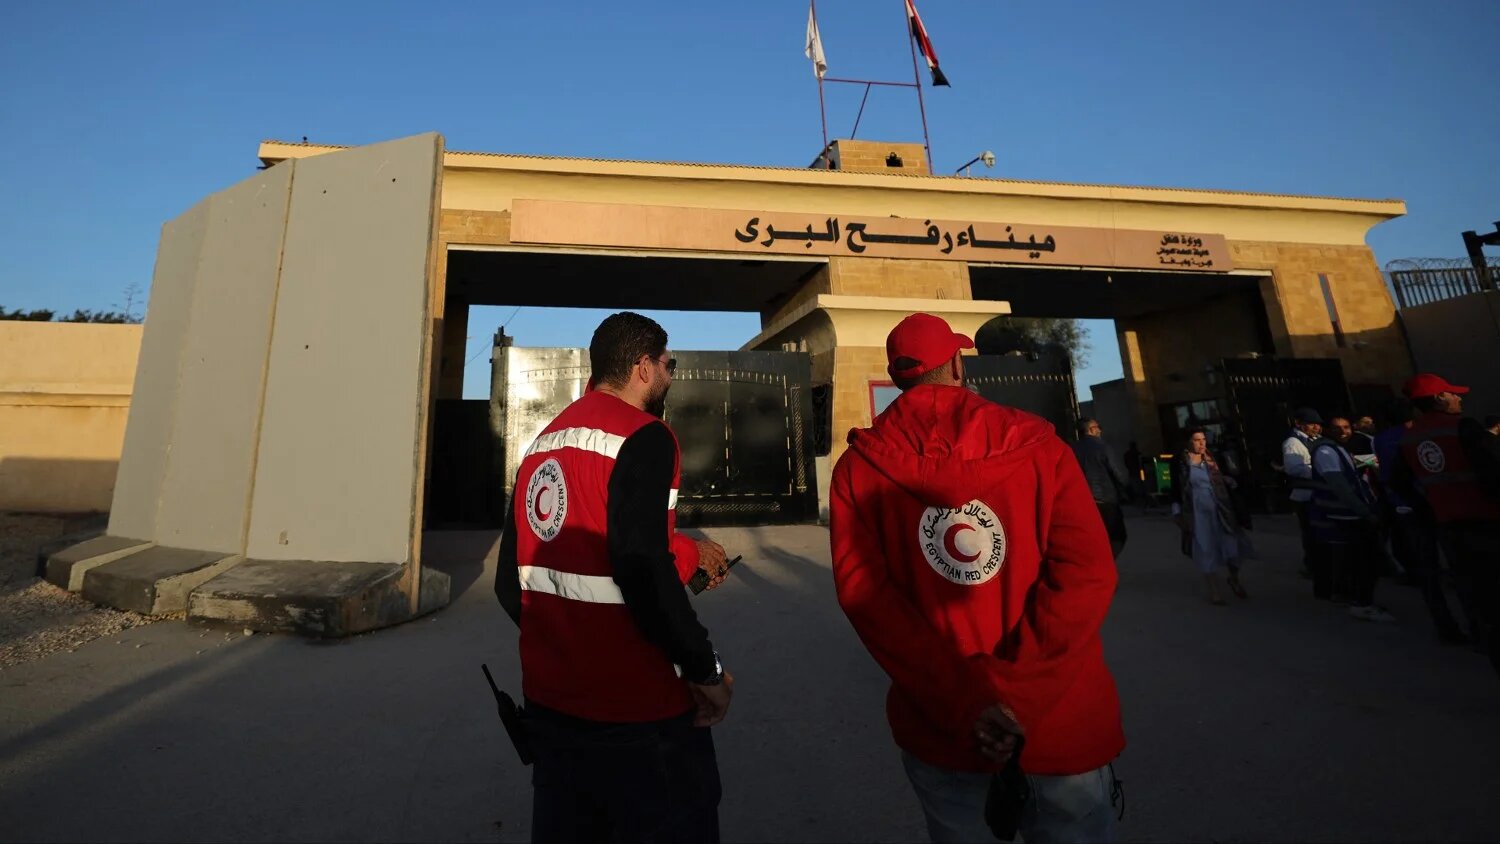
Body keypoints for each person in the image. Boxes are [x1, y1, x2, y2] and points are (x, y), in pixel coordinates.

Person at [830, 313, 1123, 844]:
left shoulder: (858, 469)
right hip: (1058, 720)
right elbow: (1087, 575)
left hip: (946, 727)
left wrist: (969, 704)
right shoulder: (1039, 448)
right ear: (958, 364)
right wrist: (1020, 700)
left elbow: (866, 599)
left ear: (898, 377)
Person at [495, 311, 734, 843]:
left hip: (552, 711)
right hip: (640, 716)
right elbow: (641, 566)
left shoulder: (540, 447)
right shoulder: (646, 436)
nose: (670, 375)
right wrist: (706, 670)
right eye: (668, 364)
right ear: (643, 367)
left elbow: (511, 587)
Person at [1397, 374, 1500, 674]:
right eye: (1453, 394)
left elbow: (1400, 482)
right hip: (1489, 523)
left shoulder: (1410, 439)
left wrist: (1432, 504)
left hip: (1451, 529)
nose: (1459, 399)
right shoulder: (1464, 428)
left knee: (1485, 605)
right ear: (1439, 399)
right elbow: (1493, 472)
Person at [1375, 398, 1466, 642]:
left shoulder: (1383, 438)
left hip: (1405, 505)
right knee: (1459, 567)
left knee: (1427, 569)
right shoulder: (1416, 434)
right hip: (1436, 505)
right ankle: (1472, 625)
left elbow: (1388, 477)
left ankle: (1444, 625)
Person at [1309, 416, 1393, 621]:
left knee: (1357, 558)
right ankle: (1361, 602)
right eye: (1337, 428)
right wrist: (1364, 511)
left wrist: (1372, 460)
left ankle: (1356, 597)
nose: (1343, 431)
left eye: (1346, 427)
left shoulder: (1338, 450)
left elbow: (1350, 463)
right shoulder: (1327, 451)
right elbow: (1340, 485)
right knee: (1364, 559)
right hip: (1346, 514)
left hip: (1350, 513)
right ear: (1327, 430)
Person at [1171, 429, 1248, 605]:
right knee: (1206, 548)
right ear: (1188, 442)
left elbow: (1231, 475)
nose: (1202, 443)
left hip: (1221, 507)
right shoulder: (1181, 462)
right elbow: (1176, 488)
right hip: (1197, 511)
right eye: (1197, 440)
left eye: (1203, 439)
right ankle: (1215, 591)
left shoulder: (1214, 458)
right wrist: (1176, 511)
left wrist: (1229, 480)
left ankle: (1234, 579)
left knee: (1231, 546)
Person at [1071, 418, 1131, 559]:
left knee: (1091, 537)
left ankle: (1097, 562)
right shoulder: (1103, 447)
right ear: (1091, 429)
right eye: (1098, 427)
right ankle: (1107, 561)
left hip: (1083, 501)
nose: (1100, 430)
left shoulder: (1071, 449)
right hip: (1106, 499)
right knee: (1117, 536)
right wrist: (1126, 489)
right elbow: (1117, 472)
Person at [1282, 408, 1323, 576]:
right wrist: (1320, 471)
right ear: (1299, 424)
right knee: (1311, 533)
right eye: (1311, 424)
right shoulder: (1293, 443)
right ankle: (1312, 565)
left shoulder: (1316, 440)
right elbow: (1294, 468)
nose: (1316, 427)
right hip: (1305, 495)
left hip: (1318, 493)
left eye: (1318, 424)